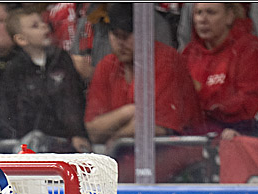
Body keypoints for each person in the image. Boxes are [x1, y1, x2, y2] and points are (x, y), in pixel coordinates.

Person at [84, 3, 204, 145]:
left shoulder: (167, 61)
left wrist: (116, 141)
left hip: (175, 153)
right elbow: (93, 130)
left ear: (145, 32)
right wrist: (129, 112)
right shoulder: (106, 65)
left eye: (127, 35)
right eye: (116, 35)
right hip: (124, 154)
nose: (121, 42)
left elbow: (158, 127)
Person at [0, 6, 91, 153]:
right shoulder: (14, 69)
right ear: (21, 39)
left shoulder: (62, 59)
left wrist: (77, 133)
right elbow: (9, 111)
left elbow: (72, 100)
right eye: (35, 26)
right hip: (28, 144)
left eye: (42, 22)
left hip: (65, 141)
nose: (44, 26)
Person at [181, 2, 258, 134]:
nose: (202, 19)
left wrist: (202, 93)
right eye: (198, 13)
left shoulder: (251, 51)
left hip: (236, 136)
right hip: (191, 137)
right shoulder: (188, 53)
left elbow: (251, 106)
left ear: (230, 16)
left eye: (211, 12)